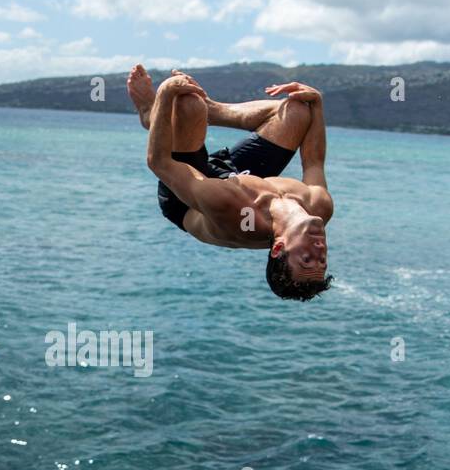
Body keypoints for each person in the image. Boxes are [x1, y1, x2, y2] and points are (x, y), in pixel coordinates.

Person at [127, 65, 333, 301]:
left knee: (187, 104)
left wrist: (164, 92)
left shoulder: (235, 211)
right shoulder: (319, 206)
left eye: (306, 259)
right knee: (298, 110)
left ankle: (150, 114)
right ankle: (212, 110)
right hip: (239, 179)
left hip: (188, 199)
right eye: (323, 261)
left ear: (278, 248)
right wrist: (316, 103)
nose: (319, 250)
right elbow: (314, 163)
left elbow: (159, 163)